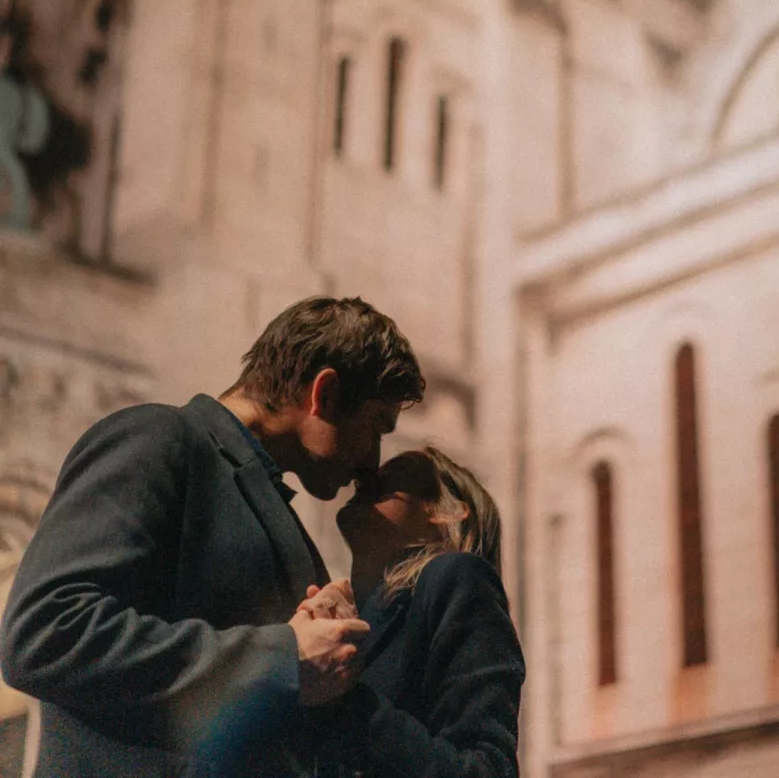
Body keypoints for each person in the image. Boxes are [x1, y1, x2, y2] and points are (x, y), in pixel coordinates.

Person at [0, 296, 424, 777]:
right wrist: (283, 657)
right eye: (375, 428)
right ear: (323, 394)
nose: (373, 459)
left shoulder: (266, 500)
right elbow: (45, 632)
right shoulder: (162, 438)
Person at [301, 446, 525, 778]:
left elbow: (487, 768)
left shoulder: (459, 578)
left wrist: (345, 697)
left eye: (396, 475)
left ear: (446, 513)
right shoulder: (354, 613)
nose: (367, 476)